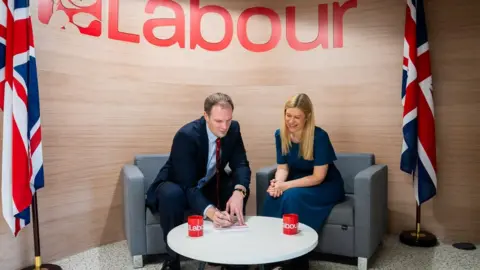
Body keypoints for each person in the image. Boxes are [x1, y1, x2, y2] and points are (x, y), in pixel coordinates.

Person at [146, 93, 251, 270]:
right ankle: (173, 258)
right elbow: (187, 184)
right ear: (206, 116)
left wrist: (239, 192)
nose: (224, 127)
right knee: (172, 195)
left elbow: (240, 164)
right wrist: (211, 212)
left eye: (228, 120)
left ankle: (230, 254)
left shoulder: (233, 129)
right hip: (178, 183)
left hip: (208, 181)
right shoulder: (186, 135)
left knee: (236, 186)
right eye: (218, 121)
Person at [262, 93, 346, 270]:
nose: (291, 121)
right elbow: (283, 168)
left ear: (307, 117)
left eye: (297, 117)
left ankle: (299, 259)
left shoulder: (319, 137)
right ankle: (271, 254)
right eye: (288, 115)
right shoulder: (280, 134)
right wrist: (277, 184)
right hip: (296, 180)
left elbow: (318, 177)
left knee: (292, 196)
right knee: (272, 197)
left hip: (325, 185)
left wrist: (286, 186)